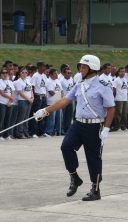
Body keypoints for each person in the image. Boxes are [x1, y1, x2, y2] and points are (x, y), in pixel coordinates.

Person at [34, 55, 115, 201]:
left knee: (93, 158)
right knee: (66, 147)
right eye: (80, 67)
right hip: (78, 123)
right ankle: (74, 177)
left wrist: (106, 129)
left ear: (93, 69)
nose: (80, 70)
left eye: (83, 67)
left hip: (95, 125)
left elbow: (110, 108)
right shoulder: (79, 84)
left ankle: (95, 190)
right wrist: (46, 110)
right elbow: (65, 100)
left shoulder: (103, 86)